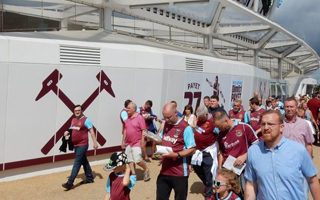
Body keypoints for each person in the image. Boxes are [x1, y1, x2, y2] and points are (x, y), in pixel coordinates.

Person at [244, 110, 320, 200]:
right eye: (263, 124)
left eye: (271, 124)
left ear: (281, 127)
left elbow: (312, 180)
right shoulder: (253, 151)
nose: (266, 128)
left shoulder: (298, 150)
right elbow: (251, 184)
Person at [152, 103, 196, 200]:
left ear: (176, 112)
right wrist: (151, 137)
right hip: (164, 171)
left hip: (179, 173)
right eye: (164, 117)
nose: (166, 120)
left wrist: (176, 155)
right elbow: (161, 139)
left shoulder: (186, 128)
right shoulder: (167, 124)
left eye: (168, 117)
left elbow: (192, 149)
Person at [213, 111, 258, 198]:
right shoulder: (220, 134)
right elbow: (221, 153)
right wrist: (220, 169)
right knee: (230, 194)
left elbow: (257, 145)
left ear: (226, 121)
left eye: (220, 127)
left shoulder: (244, 127)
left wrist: (245, 156)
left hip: (244, 170)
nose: (219, 129)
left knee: (246, 193)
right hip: (228, 170)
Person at [62, 105, 98, 190]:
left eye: (78, 110)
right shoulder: (73, 120)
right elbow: (71, 128)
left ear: (82, 111)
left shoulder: (86, 120)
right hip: (76, 145)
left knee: (77, 163)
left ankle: (70, 183)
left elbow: (92, 131)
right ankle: (89, 178)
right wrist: (67, 131)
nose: (77, 112)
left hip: (83, 145)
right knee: (83, 161)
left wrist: (95, 143)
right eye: (75, 111)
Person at [191, 106, 218, 200]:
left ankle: (209, 194)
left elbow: (219, 134)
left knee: (208, 172)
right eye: (199, 117)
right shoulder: (199, 119)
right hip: (198, 150)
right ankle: (207, 183)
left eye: (202, 117)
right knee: (196, 167)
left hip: (208, 150)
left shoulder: (213, 122)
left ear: (206, 114)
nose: (200, 119)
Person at [121, 102, 150, 181]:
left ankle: (146, 169)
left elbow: (143, 130)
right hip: (128, 143)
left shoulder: (139, 117)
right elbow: (125, 130)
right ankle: (133, 174)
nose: (127, 110)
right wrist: (123, 141)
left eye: (129, 108)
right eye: (127, 108)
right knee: (129, 160)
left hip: (137, 142)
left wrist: (143, 141)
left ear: (134, 109)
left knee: (137, 159)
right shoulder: (128, 119)